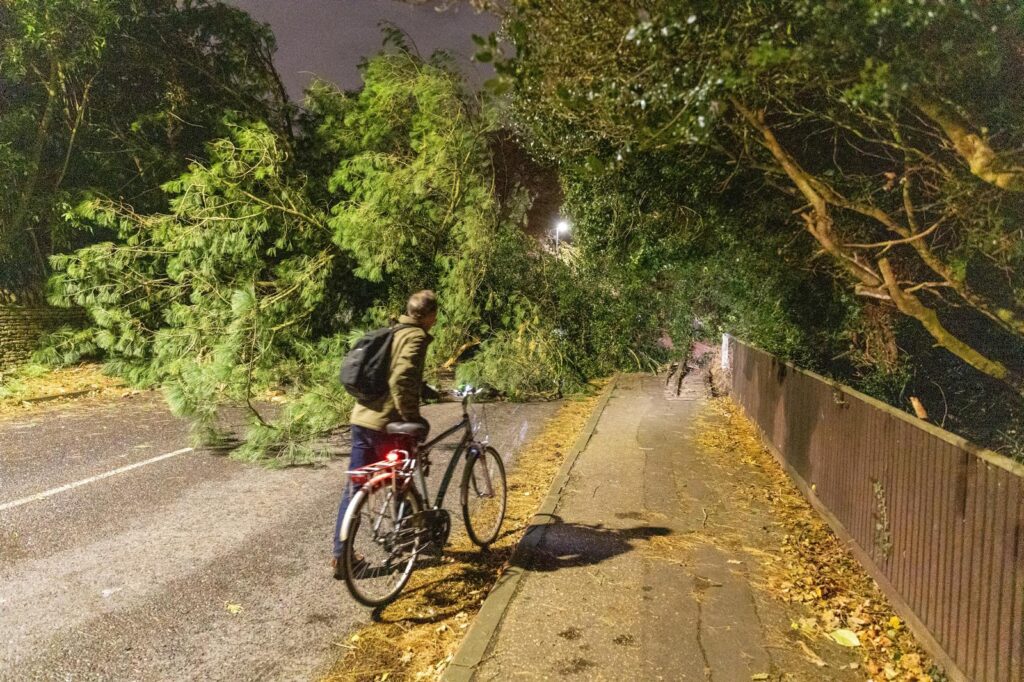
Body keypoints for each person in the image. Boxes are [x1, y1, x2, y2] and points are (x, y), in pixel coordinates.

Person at [332, 289, 437, 578]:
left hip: (362, 419)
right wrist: (412, 419)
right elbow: (402, 378)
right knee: (400, 476)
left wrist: (429, 392)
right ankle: (405, 535)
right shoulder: (415, 337)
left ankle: (342, 558)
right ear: (431, 317)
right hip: (388, 424)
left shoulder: (394, 331)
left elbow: (400, 374)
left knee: (355, 487)